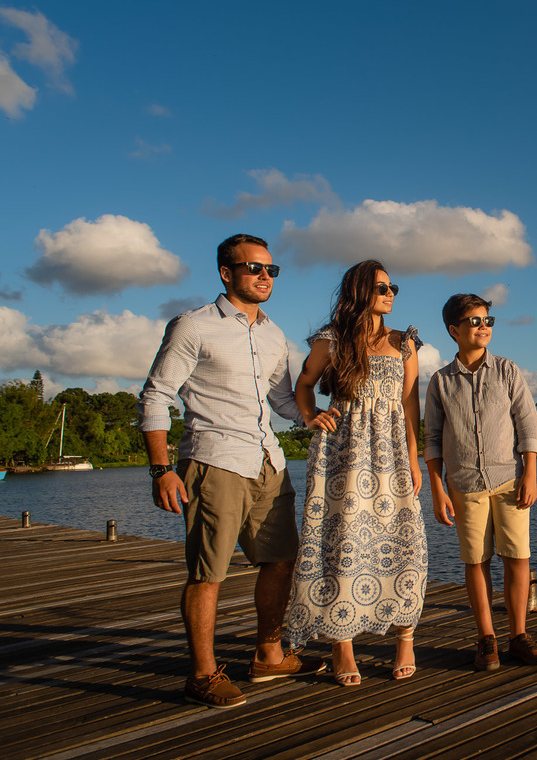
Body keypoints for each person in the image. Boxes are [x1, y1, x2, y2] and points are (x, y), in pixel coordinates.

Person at [138, 234, 324, 710]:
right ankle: (202, 673)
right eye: (254, 269)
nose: (265, 277)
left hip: (268, 462)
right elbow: (157, 395)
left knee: (281, 559)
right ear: (227, 273)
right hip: (214, 460)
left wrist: (313, 415)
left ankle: (268, 654)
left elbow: (282, 399)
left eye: (271, 270)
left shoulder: (273, 334)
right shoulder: (193, 326)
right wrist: (162, 468)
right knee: (209, 572)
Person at [283, 260, 426, 686]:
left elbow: (410, 406)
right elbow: (304, 384)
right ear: (360, 291)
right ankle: (340, 643)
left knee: (404, 541)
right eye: (382, 287)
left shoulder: (405, 343)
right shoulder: (331, 340)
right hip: (341, 455)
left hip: (392, 455)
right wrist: (310, 417)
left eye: (393, 286)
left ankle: (405, 638)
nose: (390, 294)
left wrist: (414, 457)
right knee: (341, 543)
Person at [424, 293, 537, 671]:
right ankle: (486, 639)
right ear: (454, 330)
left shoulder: (507, 371)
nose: (483, 327)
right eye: (475, 321)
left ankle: (518, 637)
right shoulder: (440, 381)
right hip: (464, 484)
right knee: (476, 561)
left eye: (487, 321)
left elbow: (528, 425)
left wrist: (530, 473)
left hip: (509, 481)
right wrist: (437, 488)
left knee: (518, 559)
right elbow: (431, 438)